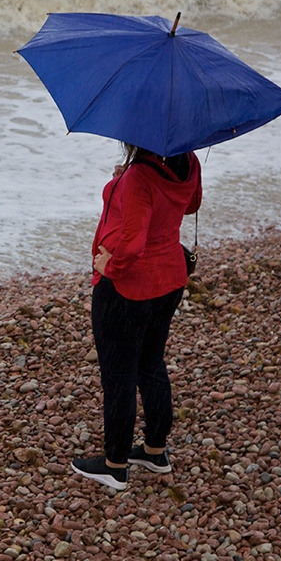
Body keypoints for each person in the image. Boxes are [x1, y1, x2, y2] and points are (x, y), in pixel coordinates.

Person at [71, 143, 202, 491]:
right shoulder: (187, 161)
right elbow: (190, 204)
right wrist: (123, 183)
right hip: (170, 278)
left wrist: (108, 265)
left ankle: (114, 465)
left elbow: (132, 243)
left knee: (118, 375)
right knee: (150, 362)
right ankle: (155, 450)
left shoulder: (139, 176)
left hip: (129, 288)